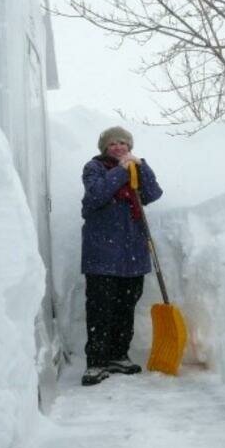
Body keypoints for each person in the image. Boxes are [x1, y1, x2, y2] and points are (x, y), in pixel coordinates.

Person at [79, 126, 163, 386]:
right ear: (105, 148)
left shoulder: (135, 167)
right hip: (102, 254)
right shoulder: (94, 168)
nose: (119, 147)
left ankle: (118, 355)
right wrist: (121, 171)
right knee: (100, 308)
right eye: (113, 144)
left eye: (123, 143)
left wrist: (141, 167)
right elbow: (95, 196)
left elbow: (152, 194)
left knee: (125, 307)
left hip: (132, 254)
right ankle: (96, 362)